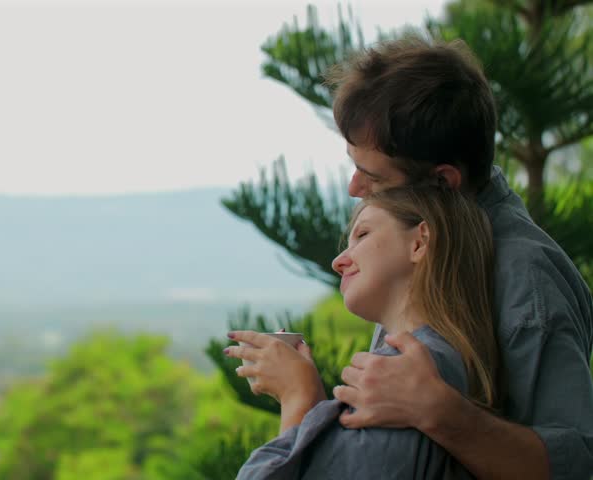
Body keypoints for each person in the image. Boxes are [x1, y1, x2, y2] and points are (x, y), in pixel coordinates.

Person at [230, 36, 593, 479]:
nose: (354, 189)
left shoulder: (524, 281)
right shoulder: (426, 245)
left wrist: (442, 412)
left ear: (443, 182)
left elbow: (576, 462)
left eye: (373, 175)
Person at [228, 183, 495, 478]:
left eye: (363, 234)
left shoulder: (406, 376)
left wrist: (297, 396)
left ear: (419, 242)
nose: (338, 261)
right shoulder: (447, 363)